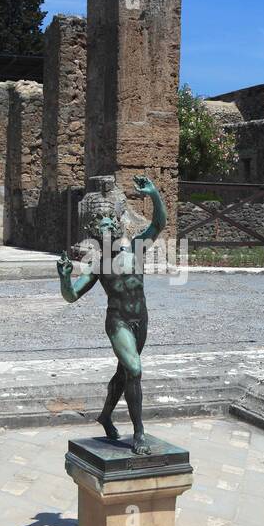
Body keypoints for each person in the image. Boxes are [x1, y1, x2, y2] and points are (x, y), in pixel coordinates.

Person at [57, 174, 166, 455]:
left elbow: (159, 224)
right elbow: (71, 296)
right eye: (101, 227)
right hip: (117, 322)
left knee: (124, 374)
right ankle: (139, 433)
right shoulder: (98, 266)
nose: (107, 229)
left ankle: (105, 415)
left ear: (117, 227)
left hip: (141, 321)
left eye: (110, 224)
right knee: (134, 369)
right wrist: (65, 278)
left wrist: (154, 194)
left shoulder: (137, 251)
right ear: (95, 234)